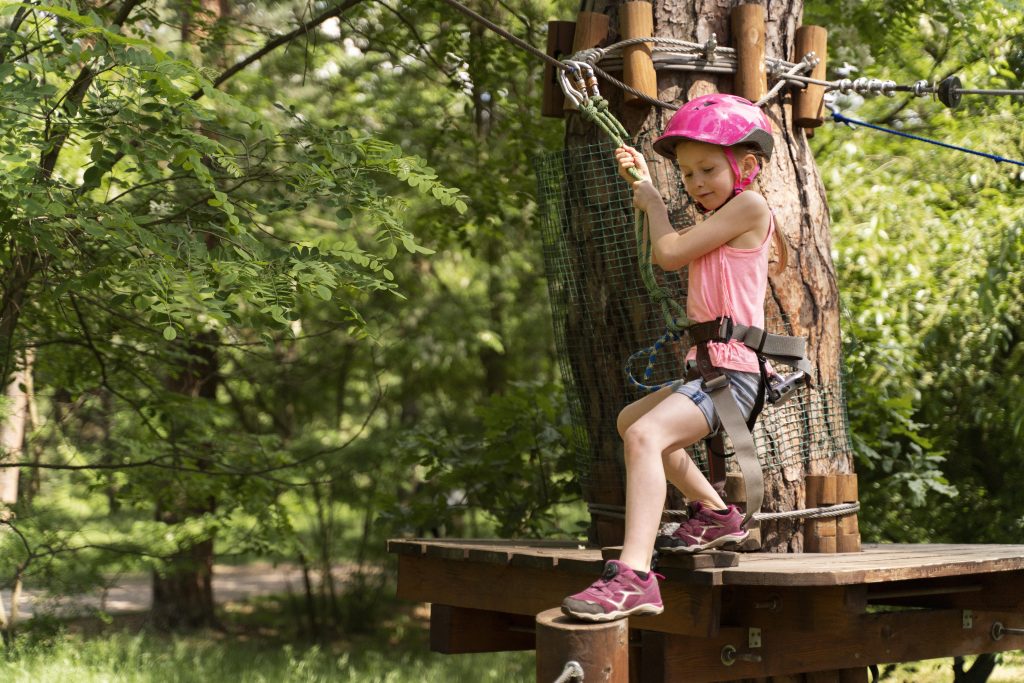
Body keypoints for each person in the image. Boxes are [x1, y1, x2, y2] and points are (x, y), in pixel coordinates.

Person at [561, 93, 789, 622]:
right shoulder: (723, 215)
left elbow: (667, 253)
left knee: (646, 437)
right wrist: (646, 185)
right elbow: (671, 241)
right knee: (631, 423)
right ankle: (715, 513)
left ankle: (634, 576)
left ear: (747, 166)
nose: (696, 182)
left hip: (734, 371)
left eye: (707, 168)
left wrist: (656, 205)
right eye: (686, 174)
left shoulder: (750, 208)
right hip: (713, 366)